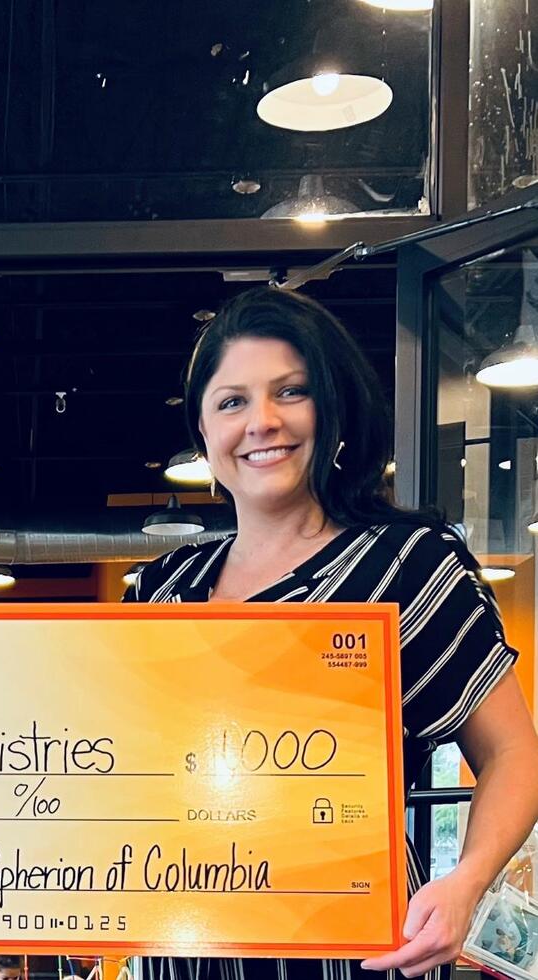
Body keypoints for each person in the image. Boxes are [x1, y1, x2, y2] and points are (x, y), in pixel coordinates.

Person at [125, 287, 538, 980]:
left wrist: (466, 883)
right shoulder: (163, 586)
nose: (261, 422)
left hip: (353, 952)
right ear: (202, 431)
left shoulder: (409, 564)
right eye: (231, 401)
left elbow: (512, 755)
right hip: (182, 948)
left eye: (291, 392)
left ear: (333, 407)